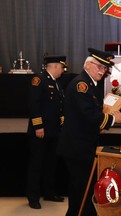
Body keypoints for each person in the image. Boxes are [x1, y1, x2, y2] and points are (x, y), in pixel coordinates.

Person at [57, 48, 121, 216]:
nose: (102, 71)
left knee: (78, 192)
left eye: (105, 69)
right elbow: (89, 115)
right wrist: (113, 119)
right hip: (77, 148)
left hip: (80, 146)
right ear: (88, 65)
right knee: (86, 192)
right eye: (99, 67)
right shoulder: (81, 85)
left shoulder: (89, 84)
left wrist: (106, 117)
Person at [26, 55, 67, 209]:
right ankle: (33, 197)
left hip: (54, 131)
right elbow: (33, 104)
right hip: (41, 131)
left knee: (51, 163)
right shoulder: (39, 80)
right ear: (54, 66)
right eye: (62, 67)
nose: (63, 71)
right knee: (37, 164)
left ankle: (49, 192)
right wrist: (38, 126)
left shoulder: (56, 83)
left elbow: (59, 106)